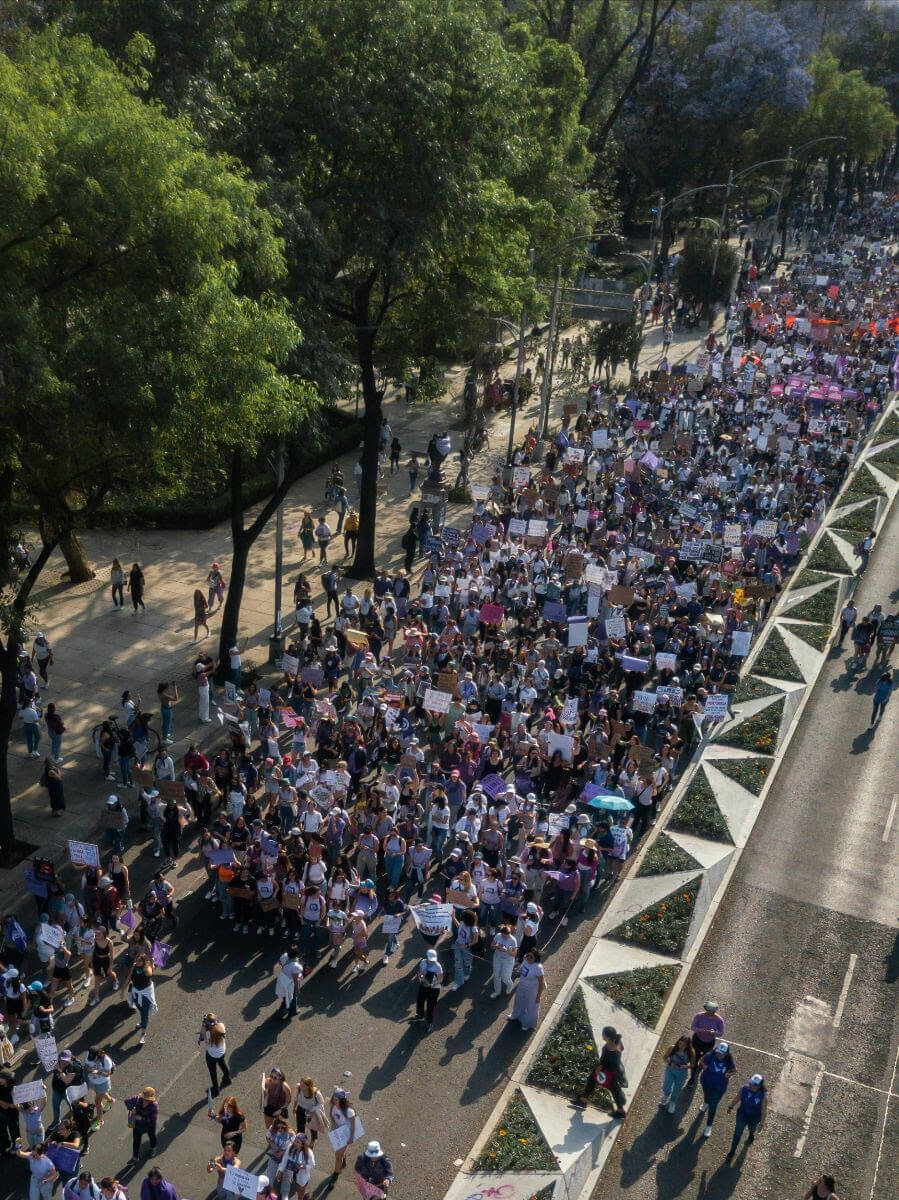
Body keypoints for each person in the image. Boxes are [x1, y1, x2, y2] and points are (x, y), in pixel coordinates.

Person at [578, 1026, 627, 1118]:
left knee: (614, 1090)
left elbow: (608, 1061)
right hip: (611, 1071)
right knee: (594, 1081)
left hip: (607, 1072)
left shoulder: (611, 1048)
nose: (602, 1036)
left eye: (603, 1034)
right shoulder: (616, 1041)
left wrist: (600, 1068)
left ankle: (621, 1111)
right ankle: (583, 1099)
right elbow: (621, 1049)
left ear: (608, 1036)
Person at [697, 1040, 736, 1137]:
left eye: (722, 1053)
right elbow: (701, 1060)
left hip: (719, 1087)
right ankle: (705, 1102)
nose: (719, 1055)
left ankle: (708, 1126)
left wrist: (729, 1074)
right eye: (718, 1052)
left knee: (713, 1106)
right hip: (706, 1082)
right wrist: (704, 1065)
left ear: (726, 1053)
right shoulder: (710, 1055)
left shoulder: (728, 1060)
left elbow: (735, 1070)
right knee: (706, 1096)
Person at [725, 1073, 766, 1160]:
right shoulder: (744, 1089)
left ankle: (751, 1134)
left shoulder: (762, 1096)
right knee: (737, 1133)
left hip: (754, 1118)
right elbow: (737, 1098)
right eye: (750, 1083)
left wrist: (762, 1123)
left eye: (753, 1085)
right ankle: (732, 1151)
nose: (750, 1085)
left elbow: (763, 1110)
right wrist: (731, 1106)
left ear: (759, 1086)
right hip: (742, 1115)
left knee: (752, 1128)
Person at [687, 1000, 724, 1085]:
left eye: (712, 1012)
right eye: (708, 1011)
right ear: (706, 1009)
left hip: (709, 1043)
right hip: (697, 1040)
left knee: (704, 1058)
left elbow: (721, 1033)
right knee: (695, 1058)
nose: (710, 1013)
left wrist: (714, 1032)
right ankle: (692, 1078)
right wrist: (700, 1030)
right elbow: (693, 1027)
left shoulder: (719, 1020)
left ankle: (700, 1063)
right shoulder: (698, 1016)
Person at [507, 948, 545, 1031]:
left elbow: (541, 983)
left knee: (530, 1007)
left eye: (531, 957)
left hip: (532, 990)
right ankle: (515, 1015)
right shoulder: (525, 959)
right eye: (527, 955)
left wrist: (538, 995)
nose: (528, 958)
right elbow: (522, 971)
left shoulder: (538, 968)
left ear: (536, 958)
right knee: (518, 1001)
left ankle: (527, 1023)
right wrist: (517, 972)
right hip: (521, 986)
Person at [199, 1013, 233, 1097]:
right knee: (222, 1063)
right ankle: (227, 1079)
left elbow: (202, 1035)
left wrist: (203, 1025)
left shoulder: (208, 1036)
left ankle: (216, 1089)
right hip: (222, 1052)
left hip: (212, 1056)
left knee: (213, 1072)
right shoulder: (221, 1026)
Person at [327, 1089, 358, 1180]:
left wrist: (351, 1138)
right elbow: (331, 1114)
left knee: (338, 1155)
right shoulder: (333, 1105)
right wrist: (333, 1124)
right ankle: (343, 1157)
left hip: (346, 1133)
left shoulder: (349, 1111)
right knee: (339, 1152)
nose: (334, 1101)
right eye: (333, 1099)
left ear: (342, 1100)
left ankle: (336, 1174)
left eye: (336, 1100)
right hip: (337, 1131)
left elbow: (353, 1126)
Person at [660, 1034, 695, 1113]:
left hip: (682, 1074)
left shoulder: (691, 1053)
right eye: (680, 1043)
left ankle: (672, 1103)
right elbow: (665, 1057)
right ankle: (666, 1095)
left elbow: (692, 1065)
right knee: (666, 1086)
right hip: (670, 1070)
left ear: (687, 1046)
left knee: (677, 1089)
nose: (681, 1046)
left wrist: (686, 1066)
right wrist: (670, 1062)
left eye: (684, 1045)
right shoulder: (672, 1048)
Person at [125, 1087, 159, 1162]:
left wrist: (141, 1118)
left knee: (152, 1136)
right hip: (137, 1125)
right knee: (136, 1141)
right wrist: (132, 1108)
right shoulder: (137, 1099)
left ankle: (153, 1148)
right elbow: (127, 1101)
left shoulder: (154, 1106)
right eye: (144, 1098)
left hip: (149, 1126)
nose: (145, 1100)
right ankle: (135, 1157)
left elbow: (153, 1120)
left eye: (147, 1099)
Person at [490, 924, 517, 998]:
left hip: (508, 960)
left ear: (509, 934)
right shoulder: (498, 936)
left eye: (506, 936)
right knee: (496, 975)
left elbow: (514, 954)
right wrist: (496, 946)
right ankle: (497, 991)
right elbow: (491, 946)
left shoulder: (513, 940)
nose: (504, 937)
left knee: (505, 977)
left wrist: (506, 950)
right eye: (503, 935)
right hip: (497, 957)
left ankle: (510, 985)